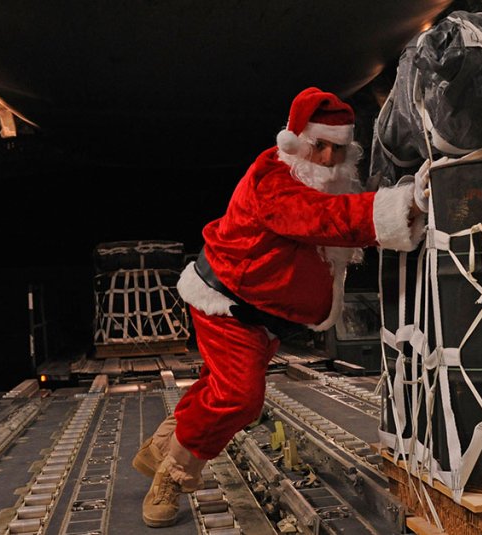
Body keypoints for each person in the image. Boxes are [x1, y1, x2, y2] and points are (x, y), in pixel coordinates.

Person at [130, 87, 425, 527]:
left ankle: (164, 442)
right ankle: (173, 474)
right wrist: (406, 204)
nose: (328, 157)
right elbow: (322, 218)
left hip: (264, 317)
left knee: (219, 388)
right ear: (296, 141)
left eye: (338, 149)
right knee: (239, 398)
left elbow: (335, 219)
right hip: (227, 305)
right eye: (319, 145)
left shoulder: (328, 181)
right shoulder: (272, 179)